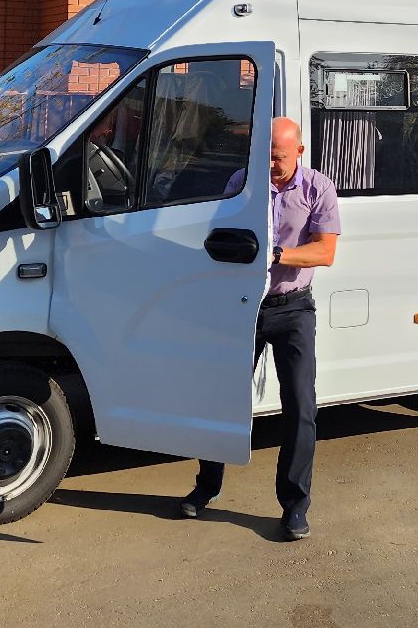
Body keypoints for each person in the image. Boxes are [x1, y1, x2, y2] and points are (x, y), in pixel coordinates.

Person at [181, 116, 340, 540]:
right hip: (241, 306)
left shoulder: (317, 189)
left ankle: (294, 505)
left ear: (300, 153)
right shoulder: (241, 181)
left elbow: (325, 253)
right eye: (265, 156)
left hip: (293, 308)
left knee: (302, 407)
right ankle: (206, 487)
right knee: (221, 400)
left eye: (279, 158)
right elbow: (219, 232)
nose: (271, 164)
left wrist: (276, 253)